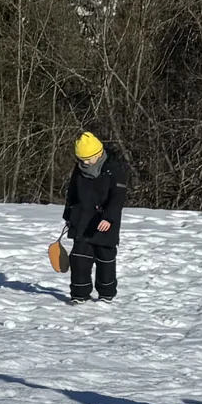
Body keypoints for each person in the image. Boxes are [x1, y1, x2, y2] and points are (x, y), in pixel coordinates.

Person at [61, 125, 129, 304]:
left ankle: (106, 294)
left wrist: (109, 218)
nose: (86, 163)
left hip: (104, 222)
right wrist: (68, 215)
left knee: (105, 260)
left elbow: (118, 197)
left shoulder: (114, 168)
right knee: (79, 260)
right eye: (82, 159)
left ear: (99, 154)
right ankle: (79, 294)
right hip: (82, 220)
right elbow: (72, 193)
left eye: (89, 159)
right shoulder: (79, 169)